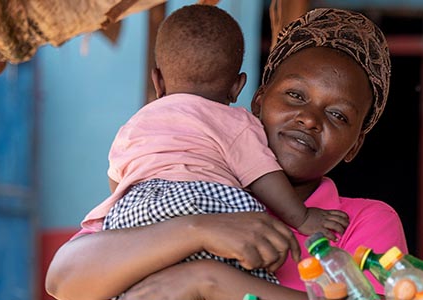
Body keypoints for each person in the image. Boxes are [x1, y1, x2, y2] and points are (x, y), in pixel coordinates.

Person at [45, 8, 403, 299]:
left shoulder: (362, 221)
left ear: (354, 145)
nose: (309, 119)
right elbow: (63, 281)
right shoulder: (187, 179)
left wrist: (205, 279)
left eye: (338, 115)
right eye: (295, 95)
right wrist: (198, 229)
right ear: (257, 101)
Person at [87, 4, 351, 284]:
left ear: (158, 81)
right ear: (238, 87)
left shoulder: (134, 125)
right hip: (210, 206)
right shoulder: (234, 122)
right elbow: (261, 173)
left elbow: (118, 181)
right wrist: (302, 217)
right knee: (248, 275)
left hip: (137, 218)